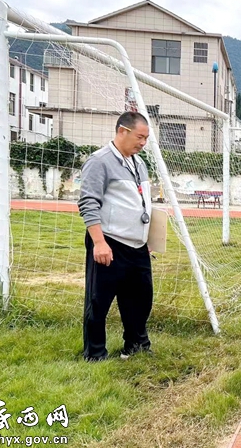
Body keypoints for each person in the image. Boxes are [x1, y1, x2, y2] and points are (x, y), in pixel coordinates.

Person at [78, 112, 154, 362]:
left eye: (146, 138)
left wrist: (146, 238)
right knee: (99, 301)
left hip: (138, 245)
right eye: (140, 137)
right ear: (122, 131)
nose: (143, 143)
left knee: (141, 299)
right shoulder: (99, 161)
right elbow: (88, 202)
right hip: (110, 242)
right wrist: (99, 242)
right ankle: (96, 353)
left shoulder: (138, 162)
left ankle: (136, 345)